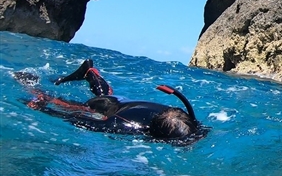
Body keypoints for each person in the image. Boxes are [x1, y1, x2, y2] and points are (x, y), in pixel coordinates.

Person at [15, 59, 208, 145]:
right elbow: (79, 120)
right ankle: (29, 83)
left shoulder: (185, 120)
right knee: (72, 105)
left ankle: (91, 72)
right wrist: (44, 109)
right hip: (109, 107)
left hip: (125, 102)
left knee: (108, 93)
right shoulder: (125, 125)